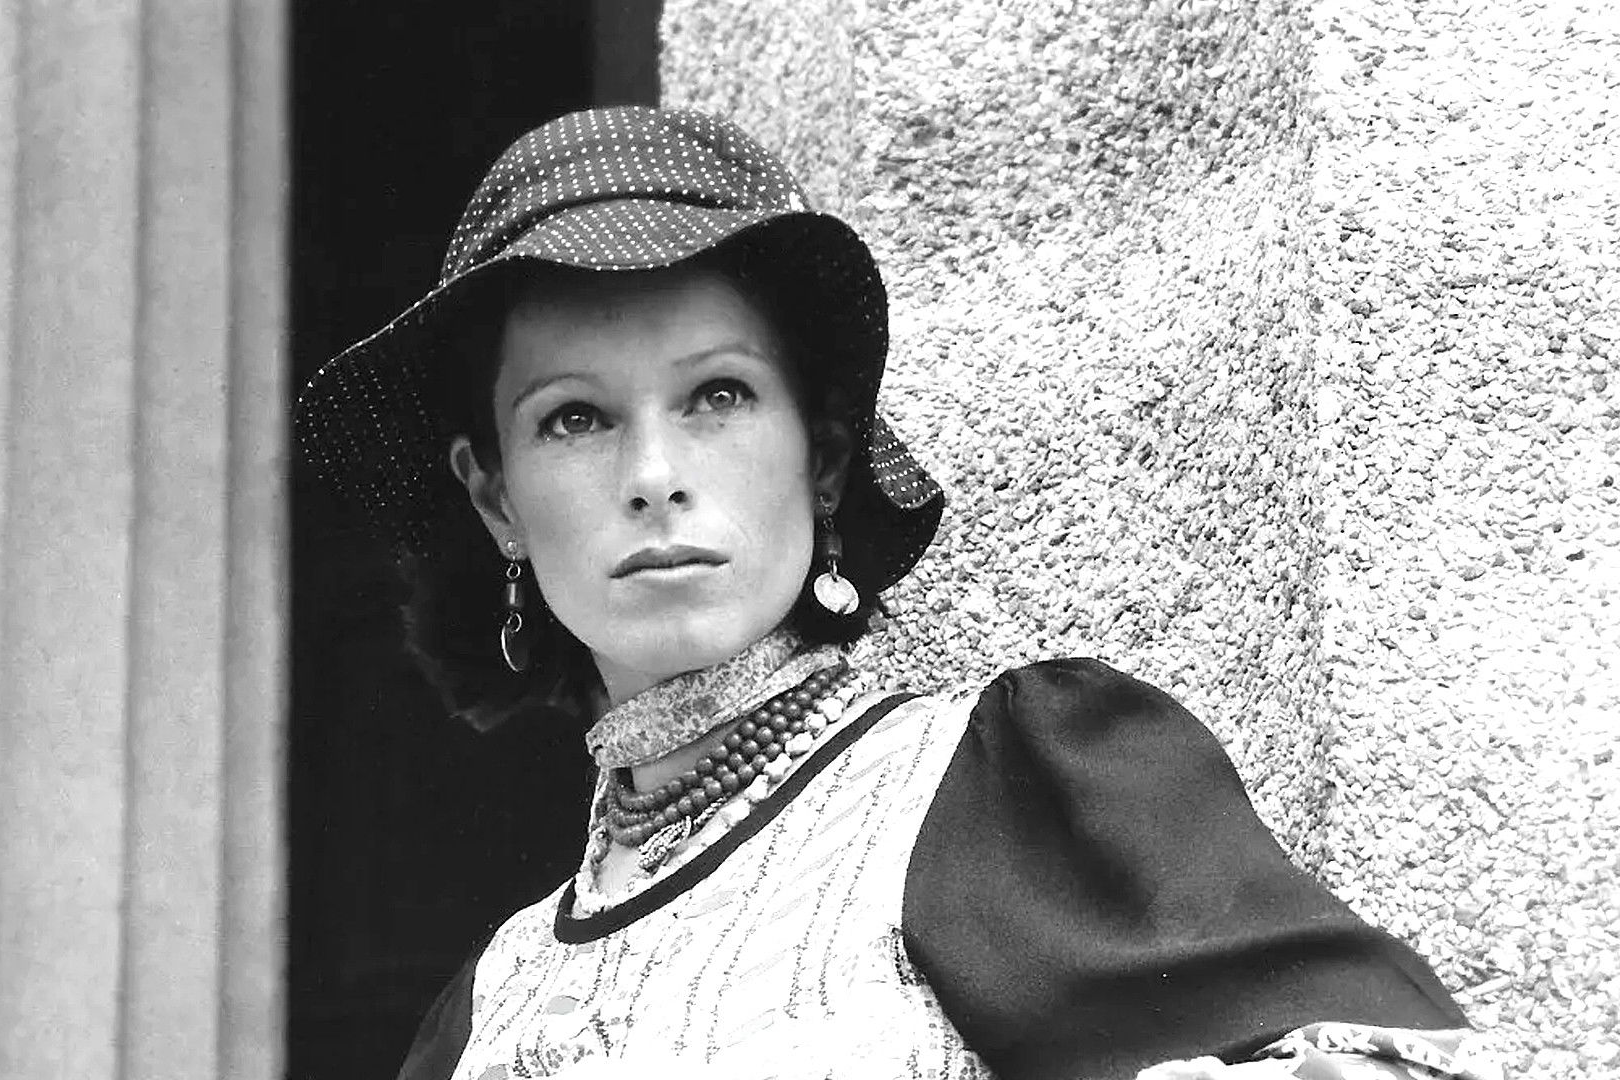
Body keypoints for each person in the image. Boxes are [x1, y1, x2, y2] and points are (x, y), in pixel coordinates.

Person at [295, 107, 1500, 1080]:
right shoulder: (489, 1006)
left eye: (718, 396)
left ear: (820, 458)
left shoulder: (997, 798)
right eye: (574, 418)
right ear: (497, 499)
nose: (654, 476)